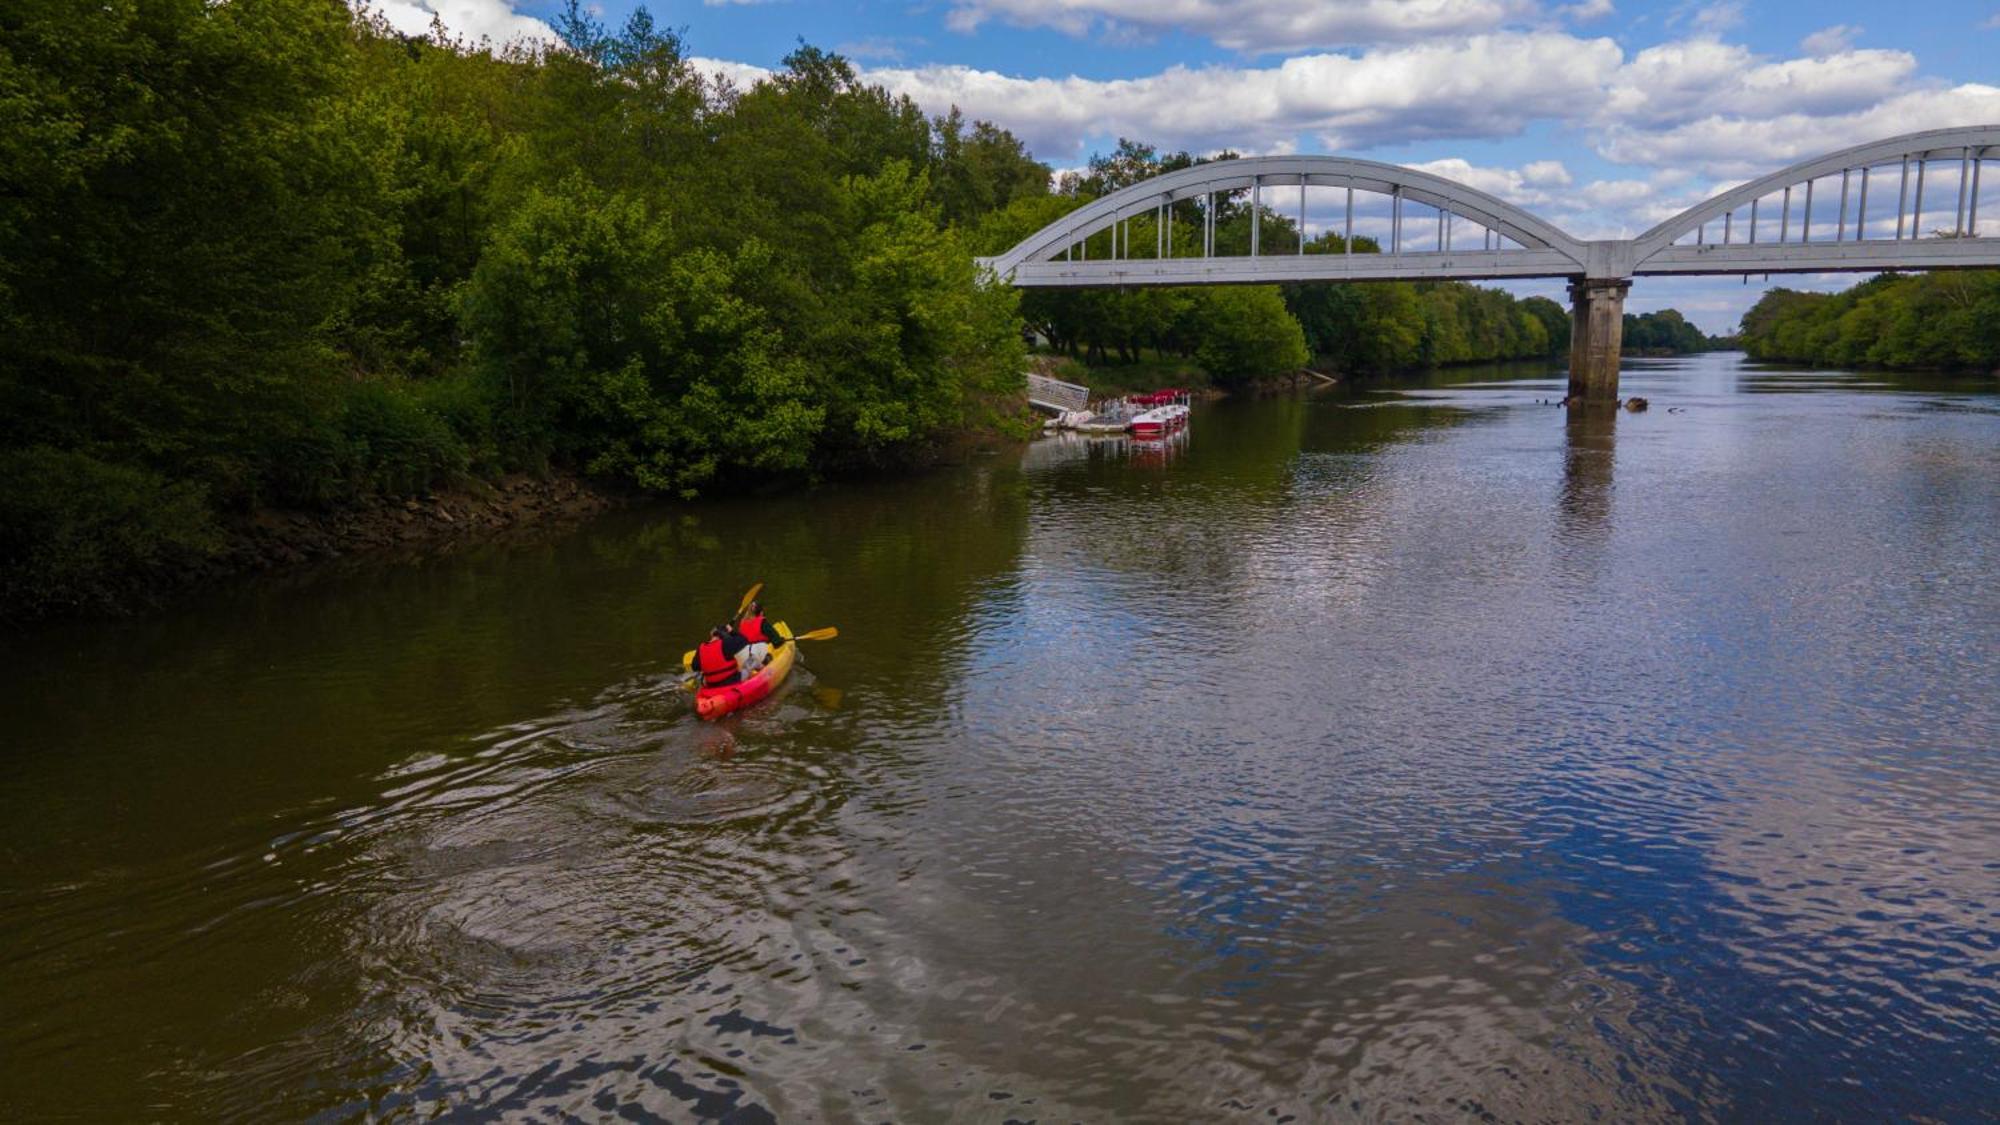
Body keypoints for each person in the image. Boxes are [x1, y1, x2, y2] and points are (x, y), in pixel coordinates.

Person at [734, 600, 785, 675]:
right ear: (761, 613)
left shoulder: (742, 623)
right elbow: (776, 641)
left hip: (743, 656)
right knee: (768, 656)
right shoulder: (762, 622)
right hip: (757, 655)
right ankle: (765, 666)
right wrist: (781, 640)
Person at [693, 624, 747, 690]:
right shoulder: (726, 643)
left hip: (711, 685)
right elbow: (744, 640)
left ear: (712, 635)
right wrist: (732, 631)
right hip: (731, 682)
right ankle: (761, 673)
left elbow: (695, 667)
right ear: (724, 634)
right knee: (753, 660)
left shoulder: (700, 648)